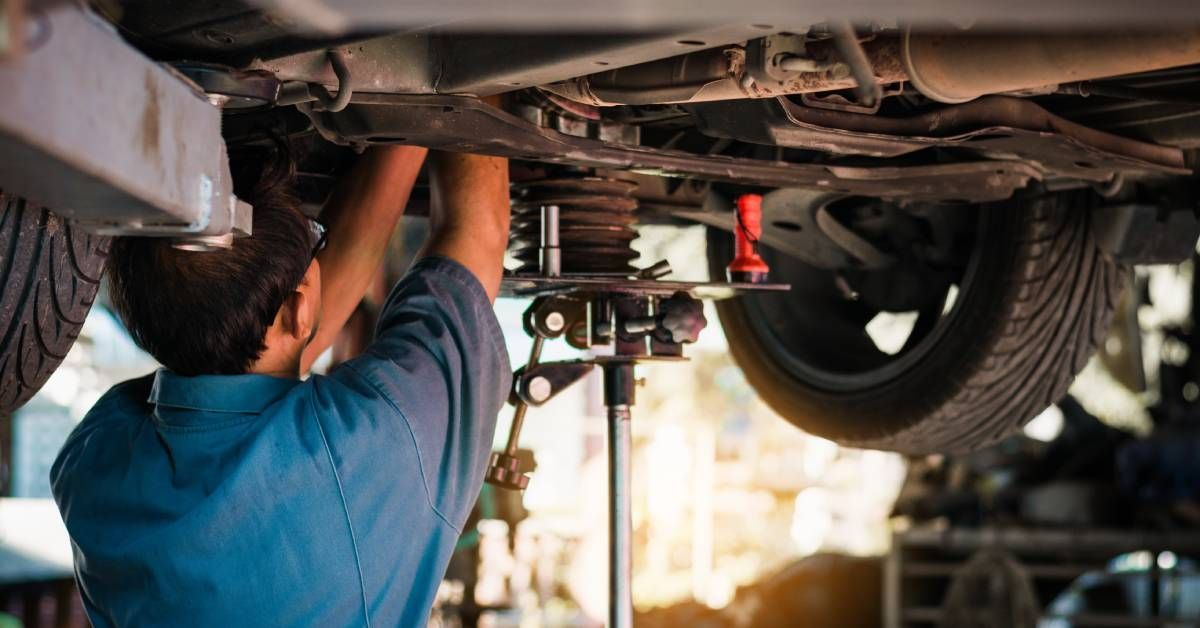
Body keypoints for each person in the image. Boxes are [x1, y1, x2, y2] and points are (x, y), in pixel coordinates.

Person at [49, 145, 513, 626]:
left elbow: (474, 237)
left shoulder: (92, 468)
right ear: (299, 308)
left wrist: (413, 132)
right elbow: (476, 227)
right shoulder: (91, 466)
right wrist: (435, 96)